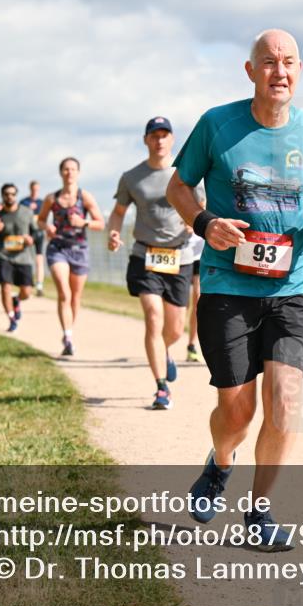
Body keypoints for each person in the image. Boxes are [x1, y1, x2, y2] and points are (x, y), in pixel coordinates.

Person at [167, 29, 303, 551]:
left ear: (299, 71)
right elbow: (179, 185)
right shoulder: (218, 124)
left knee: (284, 398)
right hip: (226, 285)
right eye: (268, 62)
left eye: (288, 63)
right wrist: (203, 222)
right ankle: (220, 464)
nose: (278, 72)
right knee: (236, 411)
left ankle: (260, 510)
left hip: (294, 284)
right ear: (250, 70)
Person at [107, 117, 199, 409]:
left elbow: (202, 207)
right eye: (154, 136)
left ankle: (166, 351)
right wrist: (113, 231)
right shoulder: (132, 177)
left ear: (172, 139)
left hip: (179, 257)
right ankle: (161, 388)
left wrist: (193, 223)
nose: (159, 140)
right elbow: (119, 211)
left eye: (164, 135)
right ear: (146, 140)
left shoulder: (187, 172)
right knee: (153, 316)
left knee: (174, 329)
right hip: (145, 255)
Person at [38, 157, 105, 356]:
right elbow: (40, 220)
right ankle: (67, 336)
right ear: (61, 173)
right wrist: (46, 226)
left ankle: (69, 331)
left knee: (75, 297)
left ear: (78, 172)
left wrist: (83, 222)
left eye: (73, 169)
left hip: (79, 249)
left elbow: (100, 223)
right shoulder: (51, 198)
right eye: (66, 169)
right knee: (64, 293)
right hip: (58, 248)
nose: (69, 173)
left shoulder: (85, 197)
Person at [0, 183, 38, 332]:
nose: (9, 196)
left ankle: (16, 300)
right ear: (2, 196)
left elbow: (36, 233)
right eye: (6, 194)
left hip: (23, 256)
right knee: (5, 287)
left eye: (12, 194)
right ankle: (11, 319)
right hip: (4, 255)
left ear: (16, 195)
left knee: (27, 292)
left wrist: (30, 239)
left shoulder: (27, 212)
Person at [19, 180, 47, 297]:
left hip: (39, 233)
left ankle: (39, 285)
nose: (35, 191)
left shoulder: (42, 202)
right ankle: (27, 282)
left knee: (39, 259)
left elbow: (44, 218)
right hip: (27, 234)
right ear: (30, 189)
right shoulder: (24, 202)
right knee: (27, 259)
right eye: (33, 189)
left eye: (37, 189)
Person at [185, 222, 205, 363]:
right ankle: (164, 345)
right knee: (183, 305)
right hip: (180, 256)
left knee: (198, 301)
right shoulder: (177, 200)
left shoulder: (209, 202)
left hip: (199, 256)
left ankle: (192, 345)